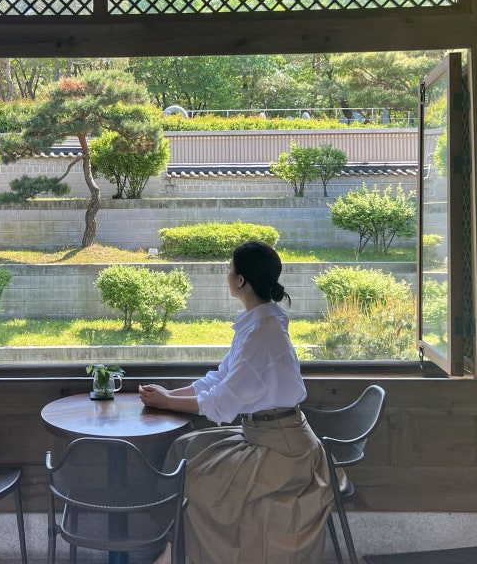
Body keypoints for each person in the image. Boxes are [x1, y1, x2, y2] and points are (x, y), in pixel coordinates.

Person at [139, 240, 334, 564]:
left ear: (241, 280)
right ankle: (175, 548)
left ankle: (180, 555)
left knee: (196, 480)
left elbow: (222, 402)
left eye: (230, 269)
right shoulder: (257, 323)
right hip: (263, 436)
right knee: (184, 448)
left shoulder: (263, 333)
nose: (227, 274)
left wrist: (168, 402)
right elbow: (219, 378)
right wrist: (169, 396)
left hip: (283, 451)